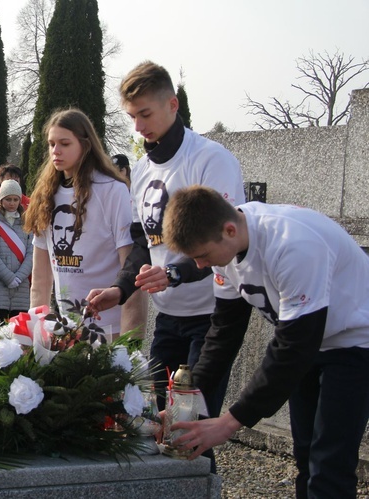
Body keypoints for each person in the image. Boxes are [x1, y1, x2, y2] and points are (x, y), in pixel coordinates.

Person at [162, 185, 369, 499]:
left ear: (229, 230)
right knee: (306, 456)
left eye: (203, 256)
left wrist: (231, 421)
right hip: (311, 342)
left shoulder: (293, 245)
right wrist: (188, 401)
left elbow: (293, 346)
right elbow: (224, 332)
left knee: (330, 462)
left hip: (355, 341)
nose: (201, 266)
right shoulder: (224, 249)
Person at [87, 61, 245, 419]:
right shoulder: (141, 170)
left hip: (212, 314)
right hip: (169, 317)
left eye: (146, 114)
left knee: (192, 424)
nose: (140, 128)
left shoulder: (211, 159)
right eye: (132, 118)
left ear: (173, 105)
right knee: (161, 422)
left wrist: (174, 274)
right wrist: (120, 289)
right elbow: (144, 243)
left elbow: (224, 244)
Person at [24, 108, 134, 336]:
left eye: (64, 143)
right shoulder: (45, 195)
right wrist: (36, 332)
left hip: (109, 327)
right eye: (51, 144)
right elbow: (41, 277)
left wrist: (131, 340)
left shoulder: (112, 190)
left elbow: (130, 267)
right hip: (65, 328)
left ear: (85, 145)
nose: (56, 151)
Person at [0, 179, 33, 321]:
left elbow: (31, 254)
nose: (12, 203)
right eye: (8, 199)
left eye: (15, 199)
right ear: (1, 200)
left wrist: (19, 277)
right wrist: (9, 278)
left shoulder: (27, 223)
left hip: (21, 288)